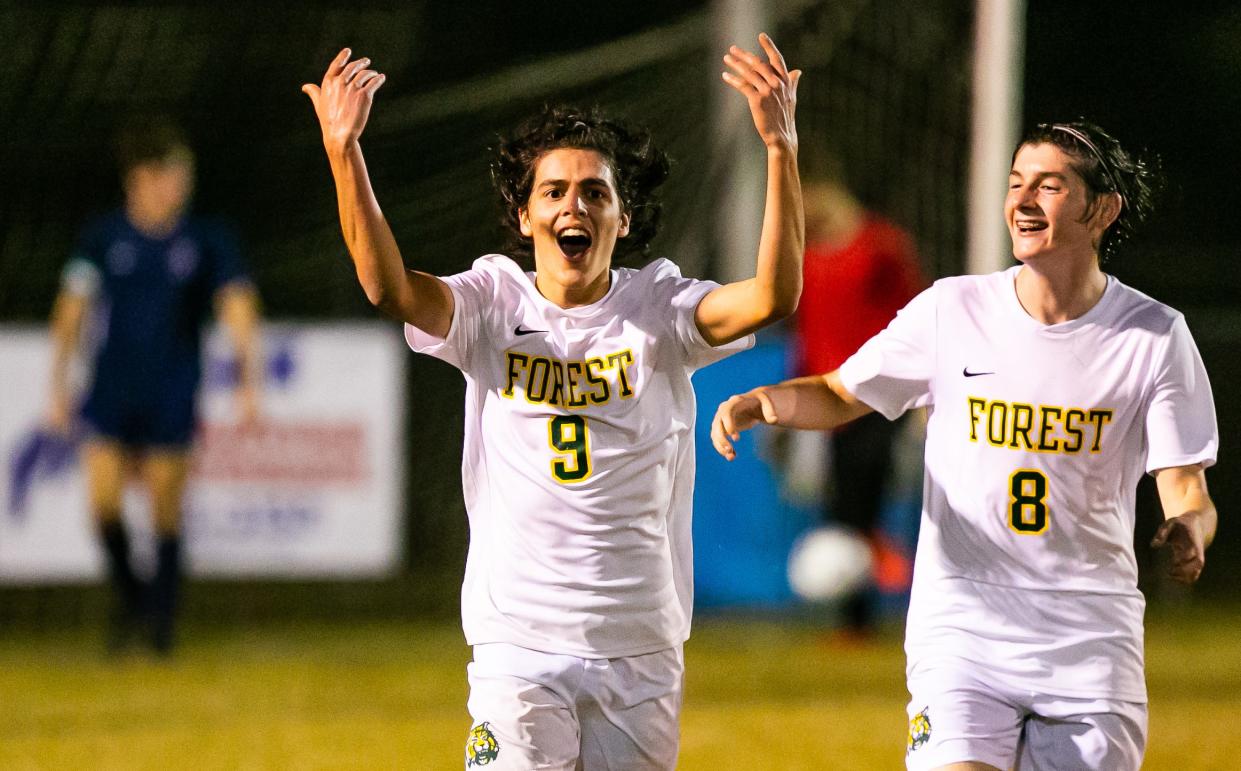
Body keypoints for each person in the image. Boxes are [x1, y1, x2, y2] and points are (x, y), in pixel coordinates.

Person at [302, 35, 802, 769]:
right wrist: (345, 151)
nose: (576, 205)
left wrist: (781, 150)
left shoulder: (658, 306)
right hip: (518, 645)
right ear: (525, 217)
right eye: (555, 191)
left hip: (638, 641)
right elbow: (388, 286)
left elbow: (772, 297)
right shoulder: (489, 302)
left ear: (621, 220)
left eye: (595, 192)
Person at [712, 121, 1217, 770]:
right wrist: (765, 400)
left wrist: (1189, 527)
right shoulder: (952, 309)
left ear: (1102, 209)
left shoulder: (1152, 334)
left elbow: (1185, 486)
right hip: (963, 628)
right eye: (1015, 183)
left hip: (1087, 637)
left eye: (1049, 185)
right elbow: (843, 392)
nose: (1022, 199)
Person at [46, 116, 262, 655]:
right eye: (171, 176)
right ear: (141, 178)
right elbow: (71, 310)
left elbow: (237, 304)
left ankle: (159, 627)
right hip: (112, 387)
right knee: (103, 507)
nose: (180, 188)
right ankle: (135, 601)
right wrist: (58, 382)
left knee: (166, 507)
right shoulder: (103, 237)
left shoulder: (206, 240)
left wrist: (247, 378)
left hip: (172, 388)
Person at [793, 170, 923, 636]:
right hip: (826, 401)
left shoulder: (880, 245)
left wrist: (921, 394)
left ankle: (870, 606)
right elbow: (807, 335)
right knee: (841, 509)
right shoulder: (805, 259)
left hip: (878, 398)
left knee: (862, 505)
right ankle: (856, 616)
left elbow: (914, 316)